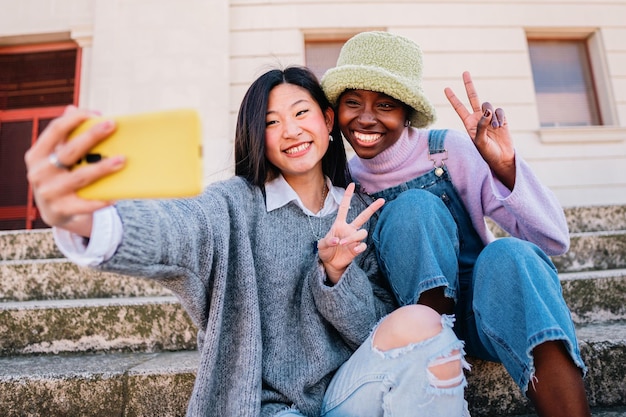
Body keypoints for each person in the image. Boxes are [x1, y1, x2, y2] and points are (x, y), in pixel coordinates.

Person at [25, 66, 471, 416]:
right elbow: (178, 226)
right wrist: (86, 217)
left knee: (421, 322)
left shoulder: (360, 211)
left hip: (349, 393)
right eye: (271, 122)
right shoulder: (233, 205)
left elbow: (374, 333)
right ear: (258, 135)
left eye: (301, 113)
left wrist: (336, 275)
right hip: (269, 408)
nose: (291, 131)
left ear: (328, 120)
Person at [321, 31, 591, 417]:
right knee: (414, 208)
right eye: (352, 103)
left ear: (407, 112)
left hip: (489, 313)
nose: (365, 117)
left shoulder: (448, 150)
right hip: (412, 330)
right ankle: (439, 356)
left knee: (511, 254)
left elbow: (553, 239)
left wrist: (504, 166)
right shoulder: (342, 182)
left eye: (384, 104)